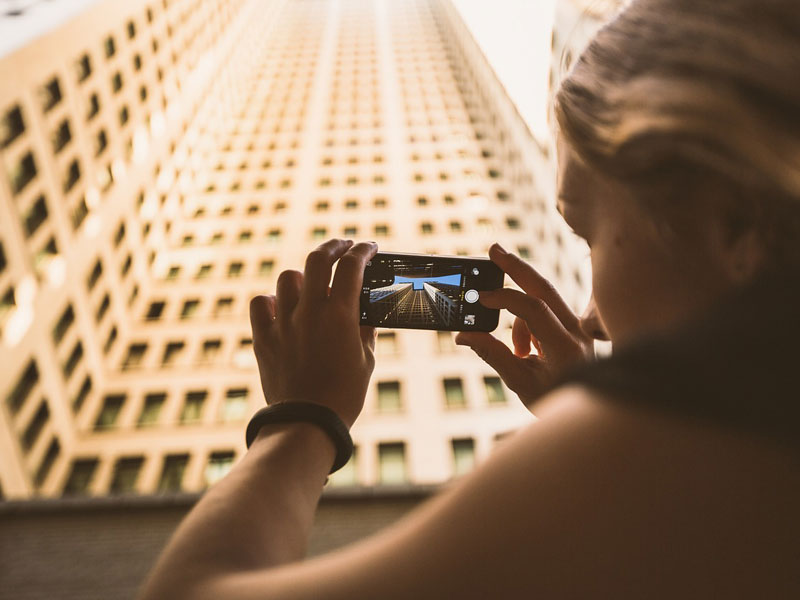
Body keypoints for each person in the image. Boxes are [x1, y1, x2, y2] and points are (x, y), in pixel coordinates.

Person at [139, 0, 800, 597]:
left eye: (587, 234)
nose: (592, 316)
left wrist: (303, 417)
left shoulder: (688, 440)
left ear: (734, 224)